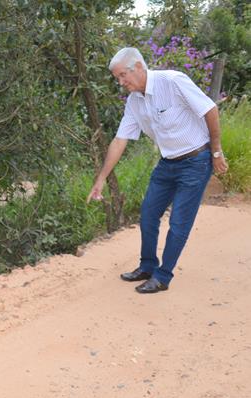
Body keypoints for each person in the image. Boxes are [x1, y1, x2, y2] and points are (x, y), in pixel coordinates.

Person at [87, 47, 228, 294]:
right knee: (148, 214)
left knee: (179, 222)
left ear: (139, 67)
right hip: (167, 163)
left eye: (123, 75)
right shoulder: (134, 101)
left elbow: (210, 110)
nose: (121, 82)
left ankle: (163, 277)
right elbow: (120, 140)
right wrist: (100, 179)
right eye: (117, 78)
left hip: (196, 161)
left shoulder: (172, 82)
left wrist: (216, 151)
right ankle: (147, 266)